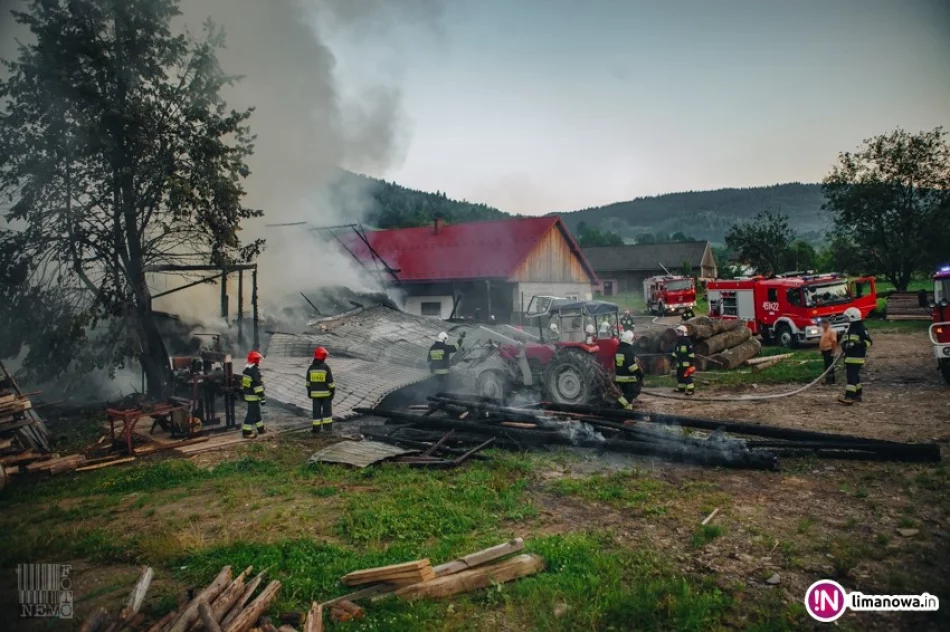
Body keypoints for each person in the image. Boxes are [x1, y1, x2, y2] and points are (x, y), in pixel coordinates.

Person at [839, 307, 872, 405]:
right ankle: (858, 395)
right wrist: (845, 345)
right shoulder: (851, 327)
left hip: (856, 357)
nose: (846, 319)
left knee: (851, 376)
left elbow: (868, 341)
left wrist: (858, 343)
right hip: (850, 356)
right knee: (854, 376)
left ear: (852, 317)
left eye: (847, 317)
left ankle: (849, 397)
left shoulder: (860, 328)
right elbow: (847, 340)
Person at [307, 346, 335, 433]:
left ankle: (316, 429)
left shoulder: (311, 368)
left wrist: (309, 392)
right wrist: (332, 392)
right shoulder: (326, 367)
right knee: (327, 413)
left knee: (316, 413)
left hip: (315, 395)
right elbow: (330, 382)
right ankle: (327, 429)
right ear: (323, 357)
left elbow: (308, 383)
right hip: (326, 395)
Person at [614, 330, 642, 409]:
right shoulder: (629, 350)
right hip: (628, 378)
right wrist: (639, 373)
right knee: (632, 393)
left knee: (626, 395)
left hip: (619, 378)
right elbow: (632, 366)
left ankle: (627, 412)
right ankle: (616, 407)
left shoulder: (618, 350)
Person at [241, 350, 266, 438]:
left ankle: (261, 428)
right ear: (255, 360)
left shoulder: (247, 370)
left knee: (256, 412)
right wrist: (262, 397)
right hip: (254, 396)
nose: (260, 361)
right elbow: (257, 386)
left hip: (248, 395)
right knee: (251, 414)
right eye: (259, 359)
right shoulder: (254, 371)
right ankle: (247, 432)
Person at [671, 325, 696, 396]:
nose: (678, 333)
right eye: (678, 332)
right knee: (679, 376)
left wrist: (691, 363)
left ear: (684, 332)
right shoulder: (678, 342)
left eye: (680, 332)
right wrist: (672, 359)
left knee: (686, 376)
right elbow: (675, 352)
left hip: (686, 364)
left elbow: (691, 353)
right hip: (679, 363)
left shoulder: (687, 342)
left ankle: (691, 390)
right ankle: (681, 388)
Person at [818, 319, 838, 385]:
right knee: (826, 366)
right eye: (822, 324)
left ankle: (831, 381)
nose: (822, 326)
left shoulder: (831, 331)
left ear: (827, 324)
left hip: (829, 350)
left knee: (829, 366)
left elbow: (834, 341)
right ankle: (828, 380)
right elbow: (822, 341)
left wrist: (833, 352)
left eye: (823, 324)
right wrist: (821, 350)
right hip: (824, 350)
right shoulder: (824, 331)